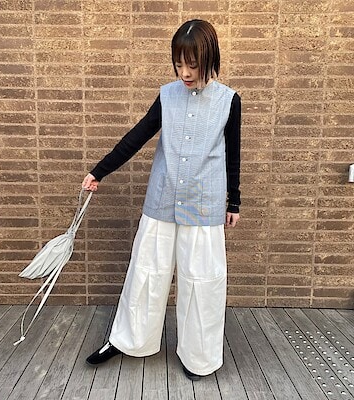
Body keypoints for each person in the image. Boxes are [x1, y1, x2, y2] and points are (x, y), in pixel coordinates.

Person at [82, 19, 241, 381]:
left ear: (210, 59)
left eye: (192, 65)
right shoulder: (167, 95)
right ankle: (127, 340)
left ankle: (199, 357)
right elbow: (137, 136)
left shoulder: (229, 101)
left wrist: (234, 202)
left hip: (203, 202)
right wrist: (99, 171)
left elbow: (233, 154)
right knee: (145, 272)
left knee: (201, 281)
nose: (184, 73)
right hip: (163, 197)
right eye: (178, 64)